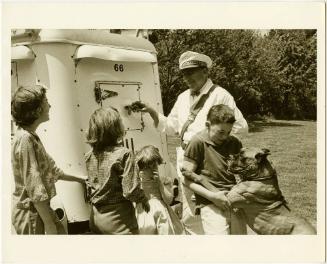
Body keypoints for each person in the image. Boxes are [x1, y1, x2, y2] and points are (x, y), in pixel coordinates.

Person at [138, 51, 248, 234]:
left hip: (209, 161)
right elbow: (172, 126)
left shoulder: (221, 95)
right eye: (184, 73)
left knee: (213, 209)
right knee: (190, 212)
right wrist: (151, 111)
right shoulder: (182, 97)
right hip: (186, 159)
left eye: (191, 72)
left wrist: (209, 141)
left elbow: (241, 127)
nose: (187, 78)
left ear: (205, 71)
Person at [11, 85, 86, 235]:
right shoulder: (26, 139)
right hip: (32, 214)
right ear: (36, 110)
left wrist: (81, 179)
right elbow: (35, 186)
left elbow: (52, 170)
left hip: (39, 210)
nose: (50, 105)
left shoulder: (31, 136)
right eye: (46, 101)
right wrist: (49, 224)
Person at [181, 104, 246, 235]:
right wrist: (212, 196)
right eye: (221, 132)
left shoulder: (234, 143)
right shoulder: (197, 142)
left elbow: (241, 173)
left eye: (229, 132)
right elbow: (186, 180)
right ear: (208, 124)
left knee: (239, 247)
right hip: (211, 203)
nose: (225, 137)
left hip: (235, 202)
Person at [85, 107, 150, 235]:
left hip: (95, 216)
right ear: (115, 127)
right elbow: (130, 191)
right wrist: (143, 199)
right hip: (118, 219)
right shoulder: (124, 154)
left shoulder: (89, 155)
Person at [134, 145, 184, 235]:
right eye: (146, 168)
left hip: (161, 211)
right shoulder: (137, 182)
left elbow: (169, 200)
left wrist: (159, 183)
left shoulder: (162, 180)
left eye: (154, 166)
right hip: (144, 211)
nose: (151, 170)